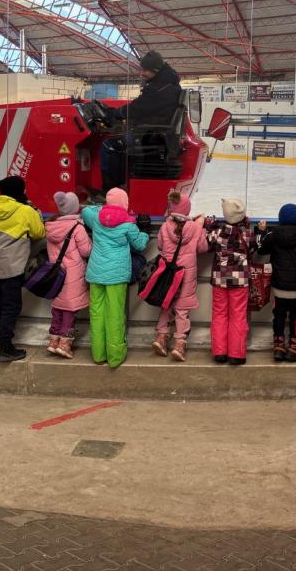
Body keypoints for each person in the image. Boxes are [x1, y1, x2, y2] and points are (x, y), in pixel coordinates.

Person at [82, 187, 150, 368]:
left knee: (96, 313)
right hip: (116, 276)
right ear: (125, 204)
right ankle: (115, 356)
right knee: (115, 314)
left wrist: (104, 208)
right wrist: (144, 229)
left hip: (96, 274)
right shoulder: (129, 224)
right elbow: (140, 244)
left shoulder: (96, 218)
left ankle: (98, 354)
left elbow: (85, 210)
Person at [101, 51, 183, 191]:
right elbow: (145, 108)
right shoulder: (169, 84)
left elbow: (137, 108)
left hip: (149, 135)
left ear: (155, 70)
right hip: (159, 134)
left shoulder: (158, 88)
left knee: (109, 145)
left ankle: (110, 190)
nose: (142, 73)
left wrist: (115, 113)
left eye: (145, 70)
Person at [0, 176, 45, 363]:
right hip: (13, 266)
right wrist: (36, 212)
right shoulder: (25, 210)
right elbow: (39, 232)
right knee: (11, 306)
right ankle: (6, 347)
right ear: (20, 190)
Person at [151, 190, 207, 362]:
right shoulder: (195, 228)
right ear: (187, 210)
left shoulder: (165, 226)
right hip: (186, 276)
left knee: (166, 305)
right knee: (182, 310)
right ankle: (179, 345)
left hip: (168, 275)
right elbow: (203, 248)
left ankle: (161, 338)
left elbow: (160, 246)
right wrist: (200, 225)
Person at [256, 204, 296, 362]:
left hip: (278, 286)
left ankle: (279, 348)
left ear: (280, 218)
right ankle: (294, 349)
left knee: (279, 316)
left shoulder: (272, 236)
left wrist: (261, 232)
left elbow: (260, 249)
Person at [205, 197, 254, 365]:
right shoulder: (247, 233)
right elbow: (253, 246)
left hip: (220, 279)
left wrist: (210, 225)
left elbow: (207, 241)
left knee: (219, 314)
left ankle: (219, 352)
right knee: (238, 316)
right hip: (239, 280)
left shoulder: (218, 232)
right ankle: (236, 354)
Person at [44, 191, 92, 359]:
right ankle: (65, 344)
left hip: (56, 275)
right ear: (75, 208)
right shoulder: (77, 227)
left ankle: (53, 341)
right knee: (70, 309)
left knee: (57, 307)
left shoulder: (51, 225)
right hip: (73, 274)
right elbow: (86, 251)